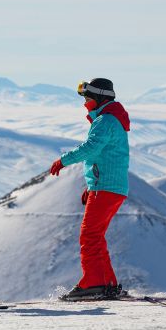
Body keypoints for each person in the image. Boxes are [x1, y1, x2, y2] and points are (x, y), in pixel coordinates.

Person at [49, 78, 131, 300]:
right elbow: (103, 155)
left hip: (106, 187)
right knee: (97, 236)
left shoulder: (105, 120)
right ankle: (107, 283)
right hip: (110, 186)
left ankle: (93, 283)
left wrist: (63, 160)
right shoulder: (112, 119)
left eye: (87, 98)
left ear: (99, 98)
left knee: (90, 236)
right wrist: (92, 184)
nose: (85, 103)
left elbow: (91, 147)